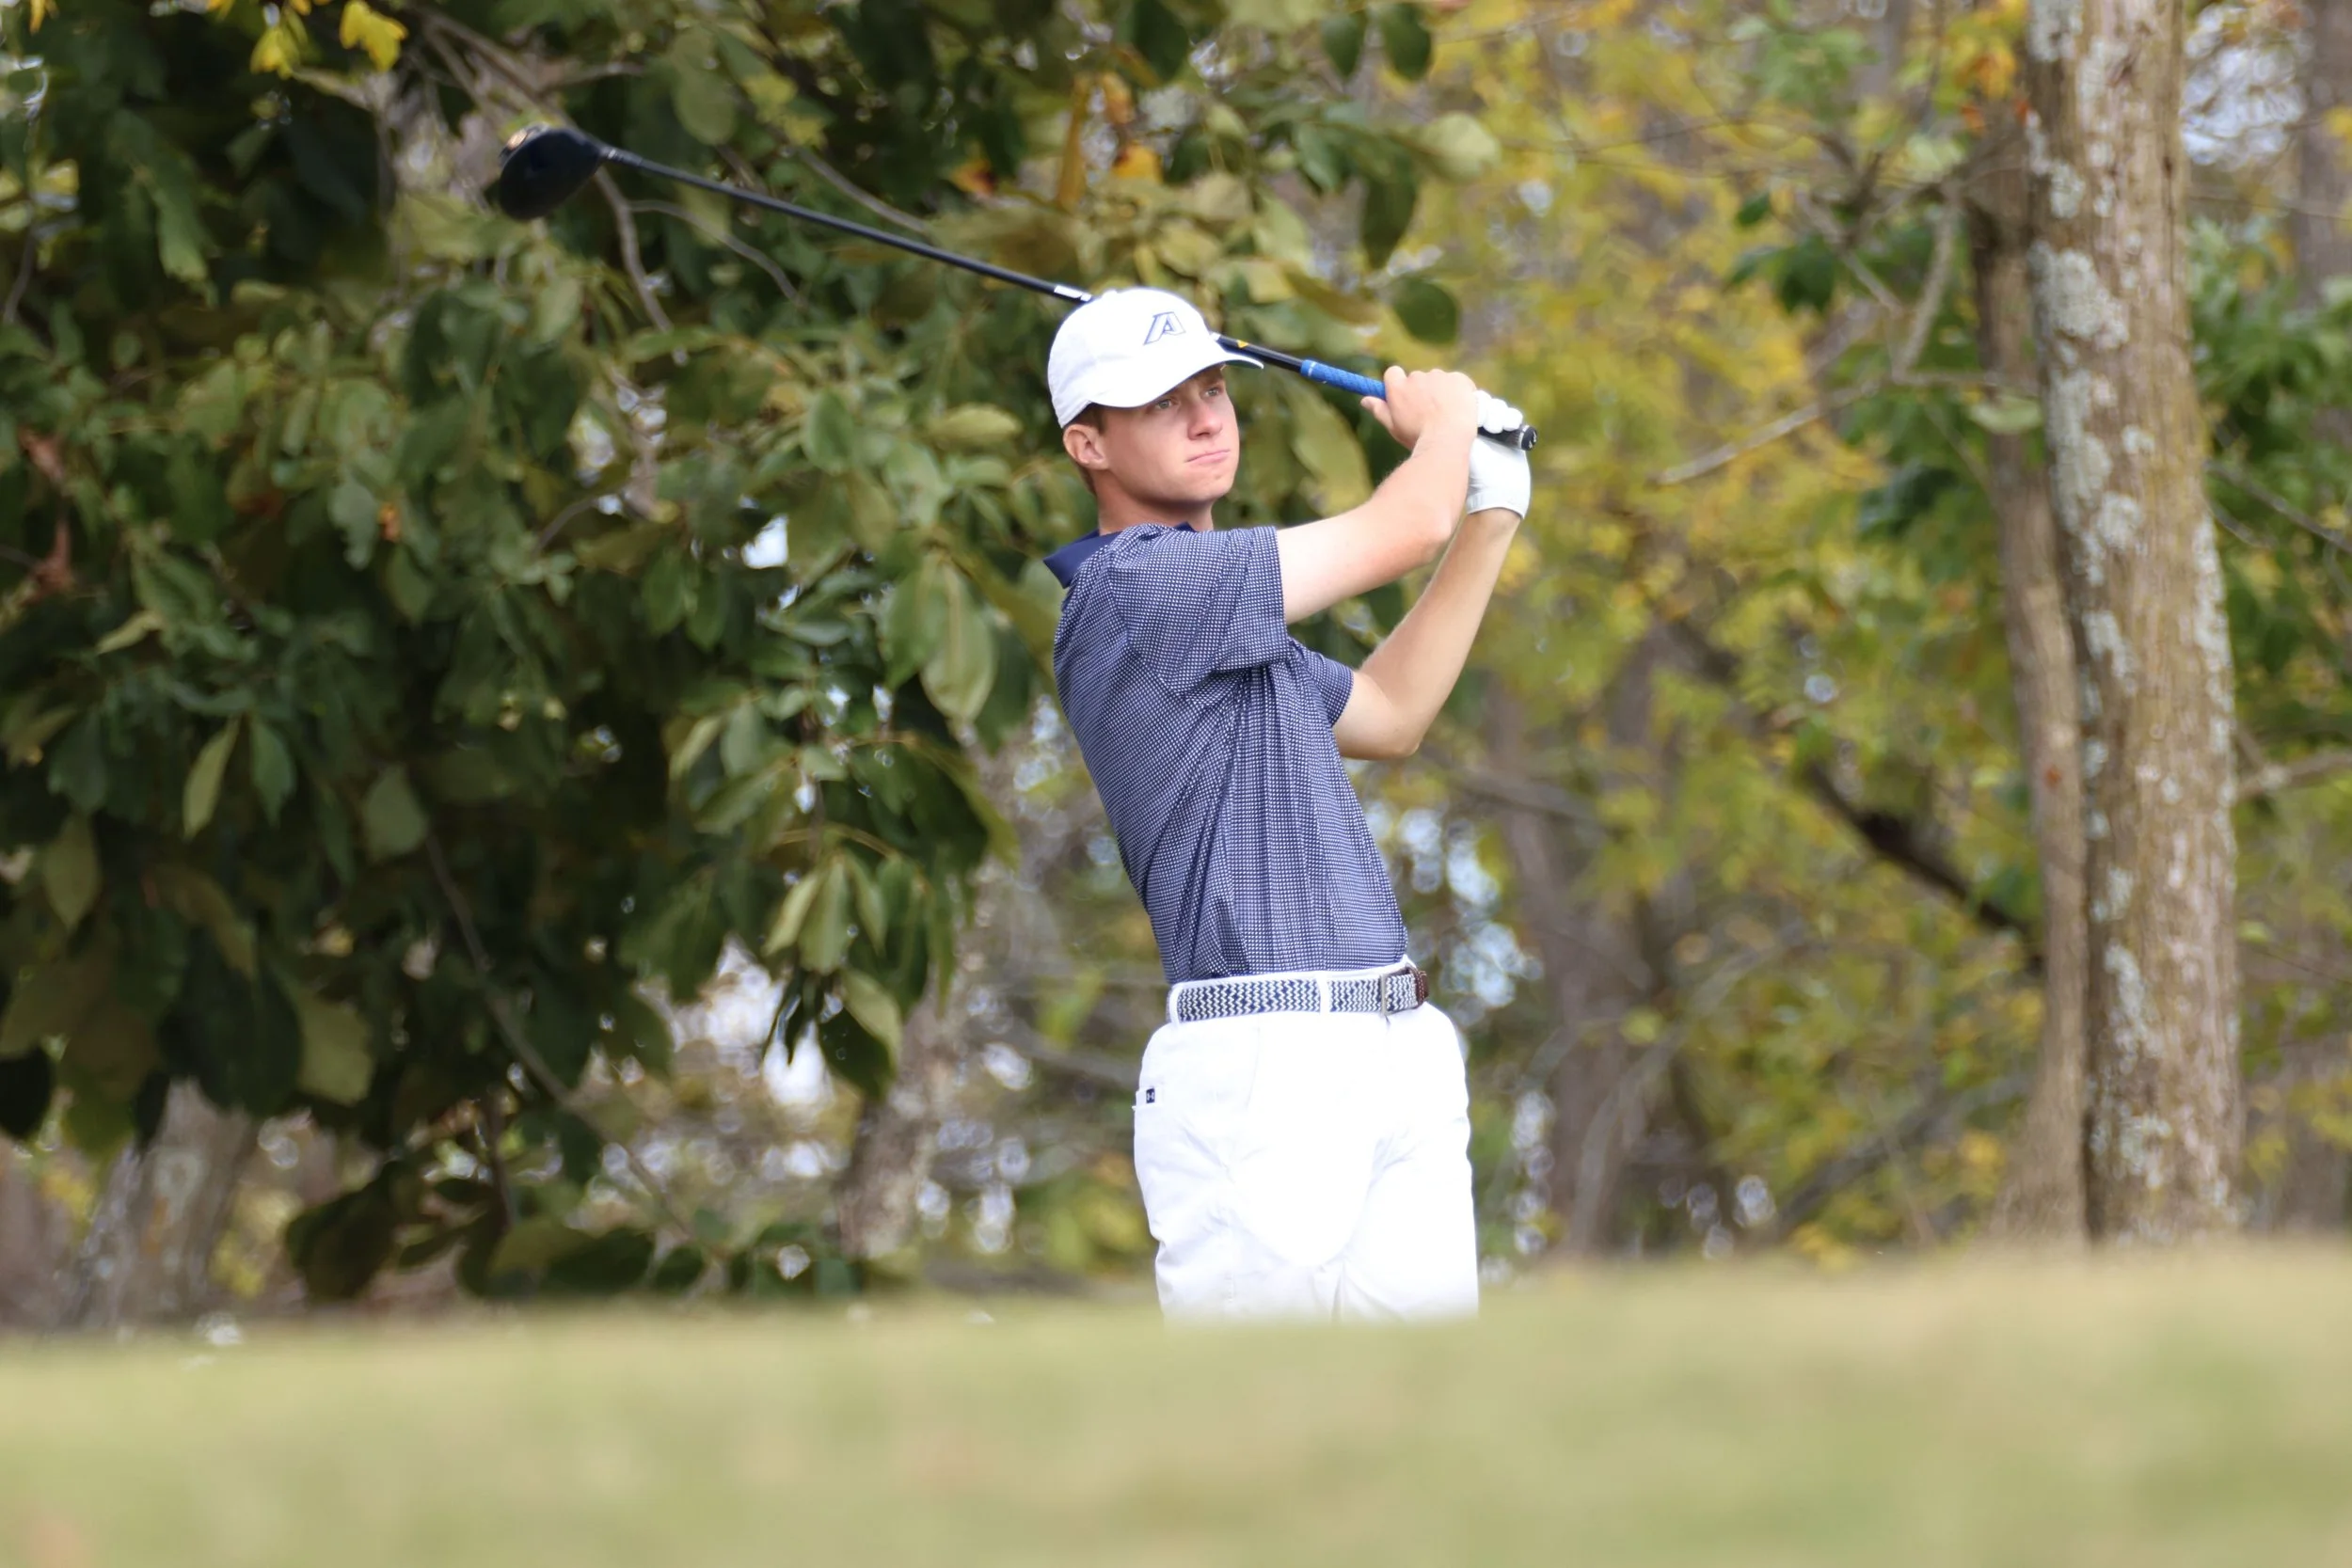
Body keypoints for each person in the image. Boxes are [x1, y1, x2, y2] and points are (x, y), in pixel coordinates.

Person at [1039, 287, 1532, 1322]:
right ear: (1087, 444)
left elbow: (1392, 712)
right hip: (1258, 1064)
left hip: (1392, 1042)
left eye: (1214, 387)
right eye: (1164, 402)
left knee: (1418, 1431)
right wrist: (1442, 430)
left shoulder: (1233, 626)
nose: (1207, 416)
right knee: (1250, 1433)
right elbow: (1404, 526)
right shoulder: (1137, 589)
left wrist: (1490, 514)